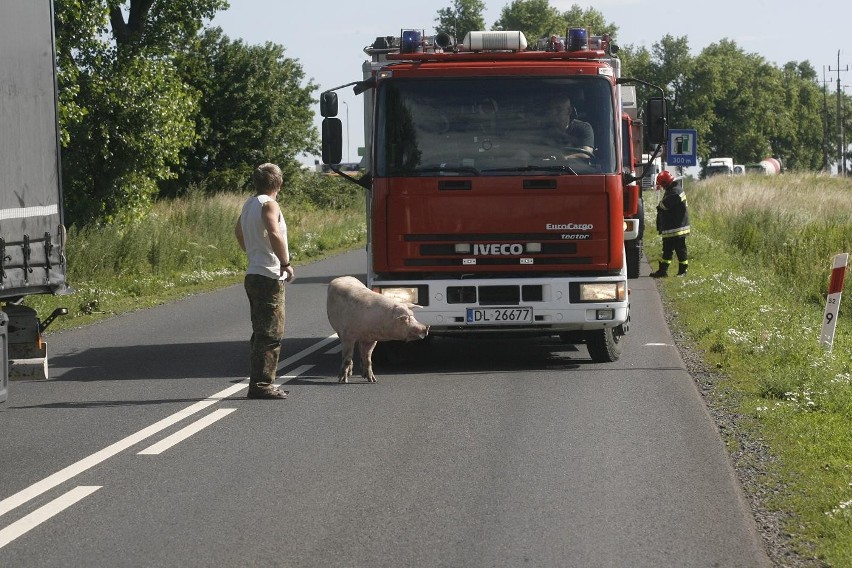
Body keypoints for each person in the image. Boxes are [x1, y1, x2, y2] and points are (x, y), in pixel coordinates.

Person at [234, 163, 295, 399]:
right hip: (268, 274)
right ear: (278, 183)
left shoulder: (249, 204)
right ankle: (262, 384)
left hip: (254, 272)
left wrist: (252, 253)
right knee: (271, 333)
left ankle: (259, 381)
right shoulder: (269, 204)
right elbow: (274, 231)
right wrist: (285, 262)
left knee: (260, 331)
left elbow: (238, 232)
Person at [650, 170, 690, 277]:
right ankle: (663, 271)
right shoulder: (673, 190)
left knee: (680, 250)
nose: (662, 188)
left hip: (677, 228)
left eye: (662, 185)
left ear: (666, 183)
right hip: (672, 227)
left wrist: (659, 206)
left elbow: (664, 206)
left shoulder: (675, 191)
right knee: (667, 251)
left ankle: (682, 271)